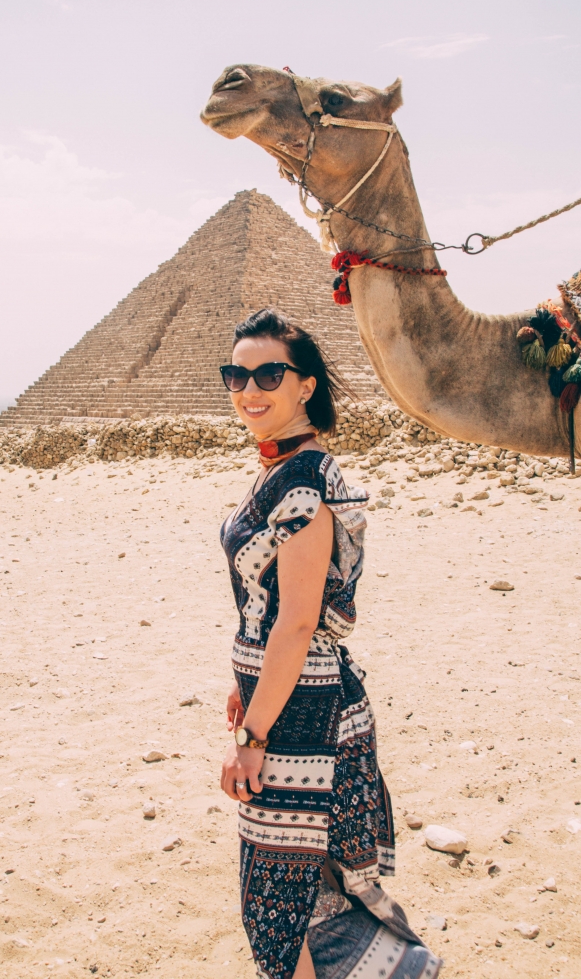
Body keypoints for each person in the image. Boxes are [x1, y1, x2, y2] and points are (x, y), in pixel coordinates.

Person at [219, 309, 442, 979]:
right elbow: (266, 609)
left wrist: (252, 736)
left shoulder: (303, 483)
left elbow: (295, 622)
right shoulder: (279, 468)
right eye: (235, 375)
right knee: (302, 889)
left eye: (267, 374)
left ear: (305, 385)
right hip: (288, 690)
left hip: (302, 710)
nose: (248, 390)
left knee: (281, 896)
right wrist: (244, 683)